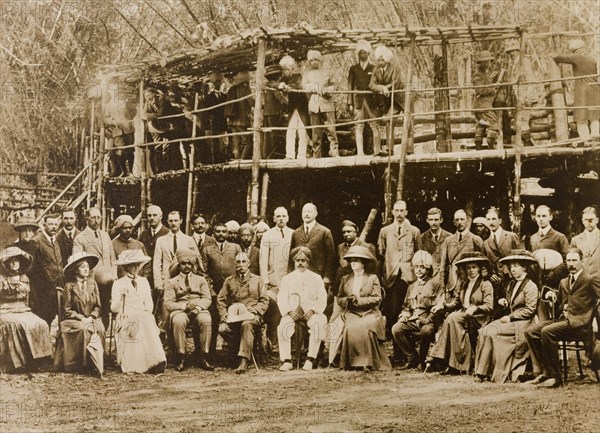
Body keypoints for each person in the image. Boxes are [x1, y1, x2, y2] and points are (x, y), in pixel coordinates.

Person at [524, 248, 600, 388]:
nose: (571, 264)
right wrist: (552, 298)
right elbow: (559, 304)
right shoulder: (564, 282)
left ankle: (555, 377)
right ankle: (545, 371)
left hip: (580, 324)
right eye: (568, 261)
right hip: (564, 321)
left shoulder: (589, 280)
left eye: (574, 260)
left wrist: (593, 316)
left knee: (547, 331)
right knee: (531, 331)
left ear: (581, 261)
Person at [474, 250, 539, 382]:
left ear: (524, 267)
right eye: (511, 266)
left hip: (525, 322)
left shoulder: (531, 286)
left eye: (516, 266)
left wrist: (511, 317)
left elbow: (530, 310)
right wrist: (504, 301)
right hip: (513, 320)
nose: (512, 269)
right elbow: (512, 302)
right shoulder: (512, 283)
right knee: (484, 330)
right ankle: (482, 371)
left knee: (492, 332)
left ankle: (489, 373)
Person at [430, 252, 494, 374]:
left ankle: (449, 362)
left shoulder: (485, 284)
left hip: (479, 317)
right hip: (464, 314)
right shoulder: (464, 284)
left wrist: (476, 308)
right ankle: (452, 363)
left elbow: (489, 306)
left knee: (452, 318)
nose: (471, 271)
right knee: (451, 318)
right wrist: (442, 306)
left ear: (479, 268)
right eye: (468, 268)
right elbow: (457, 303)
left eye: (474, 267)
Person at [334, 246, 390, 371]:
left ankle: (368, 362)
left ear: (363, 263)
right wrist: (347, 300)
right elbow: (339, 299)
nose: (353, 263)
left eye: (356, 260)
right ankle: (352, 363)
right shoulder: (345, 279)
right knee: (350, 327)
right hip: (352, 312)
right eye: (351, 261)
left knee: (366, 326)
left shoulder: (372, 278)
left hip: (370, 312)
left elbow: (377, 298)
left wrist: (359, 300)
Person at [377, 200, 421, 360]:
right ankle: (398, 354)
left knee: (409, 313)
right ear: (393, 212)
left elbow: (418, 254)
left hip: (409, 278)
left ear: (407, 212)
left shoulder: (414, 231)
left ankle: (409, 352)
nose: (399, 214)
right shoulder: (385, 231)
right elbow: (381, 253)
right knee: (393, 313)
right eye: (397, 210)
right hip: (391, 277)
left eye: (402, 210)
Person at [111, 249, 166, 374]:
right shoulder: (118, 284)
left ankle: (157, 360)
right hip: (126, 317)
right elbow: (114, 308)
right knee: (143, 320)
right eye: (132, 265)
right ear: (126, 267)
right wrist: (121, 297)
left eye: (137, 264)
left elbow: (149, 305)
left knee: (145, 318)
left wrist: (144, 312)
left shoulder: (144, 282)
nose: (135, 267)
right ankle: (139, 364)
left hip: (143, 317)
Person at [0, 247, 52, 373]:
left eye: (16, 260)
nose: (13, 263)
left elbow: (28, 300)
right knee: (14, 326)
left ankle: (39, 360)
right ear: (5, 263)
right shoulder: (1, 278)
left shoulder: (25, 278)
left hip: (23, 310)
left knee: (40, 323)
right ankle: (17, 362)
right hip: (5, 310)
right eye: (10, 260)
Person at [278, 247, 328, 371]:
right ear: (294, 262)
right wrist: (289, 311)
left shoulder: (316, 278)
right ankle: (287, 360)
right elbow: (282, 298)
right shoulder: (287, 279)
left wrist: (312, 310)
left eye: (303, 260)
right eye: (298, 260)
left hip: (312, 313)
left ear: (308, 262)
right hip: (292, 313)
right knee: (283, 326)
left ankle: (311, 359)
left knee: (318, 324)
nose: (300, 263)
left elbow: (322, 297)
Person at [218, 252, 268, 373]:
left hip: (252, 315)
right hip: (234, 315)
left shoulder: (258, 280)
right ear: (235, 264)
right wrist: (224, 313)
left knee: (246, 324)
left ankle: (244, 360)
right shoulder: (229, 281)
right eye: (238, 262)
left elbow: (265, 300)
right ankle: (237, 351)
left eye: (243, 261)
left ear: (249, 263)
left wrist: (256, 309)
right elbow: (221, 299)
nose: (241, 265)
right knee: (223, 328)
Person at [391, 251, 442, 371]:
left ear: (428, 268)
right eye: (417, 267)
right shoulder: (412, 286)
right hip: (414, 321)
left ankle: (423, 360)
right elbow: (406, 306)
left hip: (430, 321)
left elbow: (440, 305)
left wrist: (429, 319)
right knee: (396, 329)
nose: (419, 270)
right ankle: (412, 357)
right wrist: (404, 315)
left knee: (426, 331)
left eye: (422, 267)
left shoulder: (435, 284)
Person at [164, 249, 213, 372]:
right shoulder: (172, 282)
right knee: (179, 321)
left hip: (199, 308)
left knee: (206, 319)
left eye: (189, 263)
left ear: (193, 265)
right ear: (179, 265)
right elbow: (168, 303)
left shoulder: (201, 280)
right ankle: (181, 357)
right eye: (183, 264)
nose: (187, 266)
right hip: (180, 309)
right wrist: (184, 306)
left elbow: (207, 298)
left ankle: (203, 356)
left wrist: (197, 308)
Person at [58, 252, 105, 373]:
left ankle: (97, 362)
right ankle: (83, 364)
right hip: (72, 320)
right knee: (85, 329)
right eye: (82, 266)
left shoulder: (92, 284)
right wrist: (82, 318)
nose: (86, 269)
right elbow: (67, 310)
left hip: (91, 318)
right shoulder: (69, 286)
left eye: (87, 267)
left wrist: (92, 316)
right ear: (75, 270)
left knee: (100, 328)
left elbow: (98, 306)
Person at [153, 211, 200, 328]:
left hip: (183, 281)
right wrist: (158, 283)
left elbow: (196, 260)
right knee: (166, 312)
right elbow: (157, 263)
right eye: (171, 221)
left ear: (181, 221)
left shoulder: (188, 240)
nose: (173, 223)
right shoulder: (161, 240)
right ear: (167, 222)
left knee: (181, 312)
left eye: (176, 220)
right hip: (167, 280)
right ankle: (167, 343)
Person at [201, 222, 242, 355]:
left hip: (232, 292)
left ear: (227, 233)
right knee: (213, 321)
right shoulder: (207, 249)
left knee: (234, 321)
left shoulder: (235, 247)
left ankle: (235, 352)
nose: (221, 234)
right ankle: (211, 354)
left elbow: (240, 268)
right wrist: (211, 290)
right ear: (213, 233)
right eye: (218, 231)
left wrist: (236, 288)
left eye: (224, 231)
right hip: (214, 291)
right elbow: (204, 273)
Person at [73, 207, 116, 327]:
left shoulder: (105, 235)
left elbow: (113, 258)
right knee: (93, 309)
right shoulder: (80, 238)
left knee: (106, 307)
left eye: (98, 217)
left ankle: (105, 331)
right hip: (91, 281)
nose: (96, 221)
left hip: (107, 280)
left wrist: (114, 275)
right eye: (93, 217)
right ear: (87, 219)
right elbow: (79, 261)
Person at [259, 206, 293, 350]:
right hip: (273, 281)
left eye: (283, 216)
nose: (281, 219)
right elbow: (263, 259)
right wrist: (265, 281)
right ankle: (271, 342)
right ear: (273, 219)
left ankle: (287, 343)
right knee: (275, 311)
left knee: (289, 310)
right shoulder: (268, 235)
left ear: (288, 218)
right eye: (278, 216)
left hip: (290, 280)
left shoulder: (293, 234)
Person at [527, 205, 569, 320]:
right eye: (538, 216)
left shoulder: (560, 237)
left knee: (555, 312)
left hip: (555, 282)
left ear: (550, 217)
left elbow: (567, 261)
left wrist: (554, 274)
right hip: (538, 282)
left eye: (544, 216)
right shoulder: (533, 238)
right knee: (540, 313)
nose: (541, 219)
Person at [553, 39, 600, 139]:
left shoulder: (577, 56)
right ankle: (595, 134)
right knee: (594, 114)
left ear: (573, 49)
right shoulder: (592, 58)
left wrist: (554, 54)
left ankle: (585, 138)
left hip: (582, 89)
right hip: (595, 88)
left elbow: (558, 58)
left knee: (580, 115)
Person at [347, 39, 382, 155]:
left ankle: (377, 151)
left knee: (374, 125)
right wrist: (350, 103)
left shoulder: (374, 68)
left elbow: (378, 85)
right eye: (360, 53)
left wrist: (380, 103)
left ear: (368, 54)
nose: (362, 55)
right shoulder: (353, 69)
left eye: (365, 53)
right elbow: (350, 87)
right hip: (358, 101)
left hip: (372, 101)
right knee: (359, 126)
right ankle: (360, 153)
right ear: (358, 54)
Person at [290, 203, 336, 290]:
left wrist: (327, 277)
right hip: (299, 274)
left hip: (318, 274)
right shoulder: (295, 233)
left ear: (316, 214)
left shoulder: (325, 232)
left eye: (309, 211)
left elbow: (331, 256)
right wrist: (290, 274)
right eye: (304, 211)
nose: (306, 214)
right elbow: (291, 257)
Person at [438, 209, 485, 294]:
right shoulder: (448, 240)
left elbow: (484, 264)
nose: (459, 222)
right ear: (454, 222)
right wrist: (443, 287)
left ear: (467, 220)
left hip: (470, 285)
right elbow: (443, 267)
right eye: (457, 220)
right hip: (452, 284)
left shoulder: (476, 239)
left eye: (462, 219)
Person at [303, 49, 339, 158]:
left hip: (327, 103)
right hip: (314, 105)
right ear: (309, 62)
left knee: (331, 129)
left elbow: (335, 86)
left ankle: (334, 151)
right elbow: (304, 86)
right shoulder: (307, 74)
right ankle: (316, 154)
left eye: (316, 60)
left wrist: (327, 89)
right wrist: (315, 87)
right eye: (312, 60)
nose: (314, 62)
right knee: (316, 131)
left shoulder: (327, 72)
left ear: (320, 61)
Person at [505, 39, 541, 146]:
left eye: (513, 51)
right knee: (518, 122)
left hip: (524, 96)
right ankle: (526, 143)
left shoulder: (524, 61)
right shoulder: (514, 64)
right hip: (517, 97)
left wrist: (529, 98)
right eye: (509, 52)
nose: (511, 54)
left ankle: (527, 144)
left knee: (523, 120)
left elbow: (531, 79)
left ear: (518, 51)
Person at [29, 214, 64, 325]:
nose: (53, 227)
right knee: (43, 318)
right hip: (43, 290)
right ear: (44, 225)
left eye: (55, 224)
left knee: (54, 316)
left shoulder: (56, 242)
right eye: (50, 224)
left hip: (57, 287)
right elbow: (35, 268)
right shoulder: (36, 241)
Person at [369, 45, 404, 154]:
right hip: (389, 100)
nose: (380, 62)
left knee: (408, 122)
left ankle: (407, 150)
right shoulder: (376, 69)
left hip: (400, 99)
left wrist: (385, 87)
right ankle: (389, 150)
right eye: (378, 60)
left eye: (382, 60)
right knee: (389, 121)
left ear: (387, 59)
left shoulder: (395, 68)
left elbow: (396, 83)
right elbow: (371, 84)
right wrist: (381, 88)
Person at [277, 55, 310, 159]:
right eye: (283, 69)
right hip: (292, 108)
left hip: (301, 107)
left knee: (302, 131)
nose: (285, 71)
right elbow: (275, 84)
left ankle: (301, 155)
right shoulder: (283, 79)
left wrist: (288, 87)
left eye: (287, 69)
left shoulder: (298, 76)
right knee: (290, 131)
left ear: (291, 68)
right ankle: (290, 155)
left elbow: (299, 85)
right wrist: (281, 85)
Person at [104, 87, 136, 176]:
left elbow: (134, 111)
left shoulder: (125, 102)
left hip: (128, 130)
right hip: (117, 131)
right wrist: (112, 121)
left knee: (130, 150)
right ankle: (123, 171)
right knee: (120, 152)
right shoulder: (108, 105)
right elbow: (105, 118)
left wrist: (128, 120)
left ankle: (130, 172)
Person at [472, 50, 499, 150]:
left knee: (482, 124)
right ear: (480, 62)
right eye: (485, 61)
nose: (488, 63)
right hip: (483, 105)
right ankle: (490, 148)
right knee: (494, 125)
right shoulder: (477, 75)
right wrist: (493, 87)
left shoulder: (485, 74)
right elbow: (480, 90)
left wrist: (492, 79)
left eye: (488, 61)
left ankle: (478, 148)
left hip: (485, 104)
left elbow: (485, 84)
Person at [224, 70, 254, 160]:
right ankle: (242, 161)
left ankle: (237, 160)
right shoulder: (246, 88)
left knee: (236, 142)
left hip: (233, 120)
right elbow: (251, 102)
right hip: (242, 120)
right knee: (247, 142)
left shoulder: (232, 89)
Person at [111, 214, 149, 279]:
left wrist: (144, 278)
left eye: (130, 228)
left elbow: (147, 264)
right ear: (119, 229)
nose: (128, 230)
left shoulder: (139, 245)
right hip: (120, 282)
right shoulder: (112, 245)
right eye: (125, 228)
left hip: (138, 281)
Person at [419, 207, 451, 279]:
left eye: (436, 220)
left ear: (441, 220)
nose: (433, 222)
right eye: (431, 220)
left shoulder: (449, 237)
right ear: (427, 220)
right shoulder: (422, 238)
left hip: (446, 276)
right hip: (429, 276)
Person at [570, 206, 599, 276]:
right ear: (582, 221)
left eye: (591, 220)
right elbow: (572, 262)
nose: (588, 222)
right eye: (586, 220)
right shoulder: (575, 240)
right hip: (582, 280)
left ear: (597, 220)